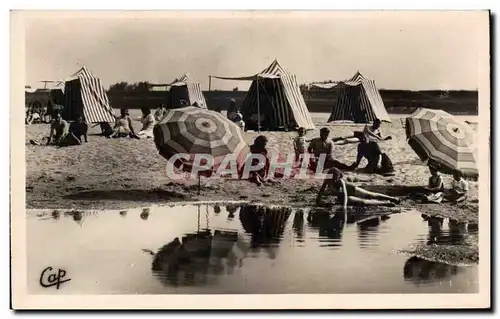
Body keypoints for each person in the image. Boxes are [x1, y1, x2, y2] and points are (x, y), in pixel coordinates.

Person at [316, 167, 400, 208]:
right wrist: (318, 202)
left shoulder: (341, 181)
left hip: (352, 190)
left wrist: (344, 208)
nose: (334, 180)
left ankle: (392, 198)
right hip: (344, 197)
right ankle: (386, 203)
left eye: (336, 178)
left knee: (371, 195)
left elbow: (344, 194)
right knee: (364, 202)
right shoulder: (327, 180)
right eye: (333, 178)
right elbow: (321, 192)